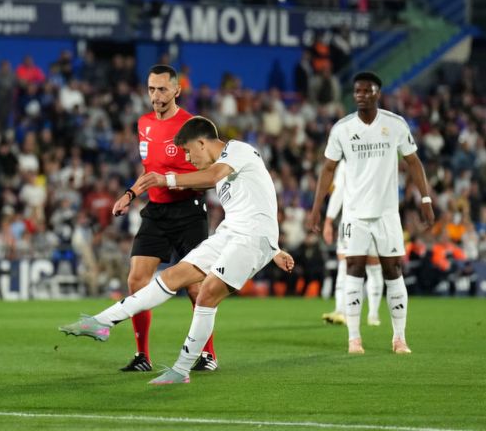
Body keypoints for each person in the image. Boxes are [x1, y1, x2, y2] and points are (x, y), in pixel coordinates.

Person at [60, 116, 294, 384]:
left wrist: (167, 180)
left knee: (206, 293)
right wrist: (275, 250)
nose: (188, 158)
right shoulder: (224, 170)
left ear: (202, 143)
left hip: (252, 238)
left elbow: (215, 179)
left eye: (188, 151)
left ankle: (181, 370)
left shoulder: (238, 150)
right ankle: (101, 322)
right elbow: (258, 201)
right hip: (231, 234)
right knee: (172, 276)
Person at [306, 71, 434, 355]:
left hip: (387, 213)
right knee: (353, 268)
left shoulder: (395, 124)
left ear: (378, 93)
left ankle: (399, 338)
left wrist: (425, 198)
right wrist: (317, 209)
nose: (361, 95)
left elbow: (413, 161)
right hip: (354, 214)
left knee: (393, 270)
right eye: (358, 91)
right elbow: (328, 169)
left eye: (367, 91)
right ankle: (354, 339)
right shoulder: (342, 128)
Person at [110, 64, 216, 372]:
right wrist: (129, 194)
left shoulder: (193, 126)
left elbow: (211, 174)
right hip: (156, 211)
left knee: (195, 287)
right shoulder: (144, 123)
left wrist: (176, 182)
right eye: (151, 89)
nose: (156, 96)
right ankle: (142, 356)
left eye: (162, 89)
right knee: (136, 280)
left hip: (188, 211)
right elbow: (150, 171)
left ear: (177, 90)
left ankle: (207, 354)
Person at [321, 161, 384, 326]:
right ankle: (370, 315)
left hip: (355, 219)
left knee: (348, 265)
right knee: (371, 267)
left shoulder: (347, 159)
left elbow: (339, 191)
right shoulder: (379, 156)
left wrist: (329, 219)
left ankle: (344, 311)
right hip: (372, 218)